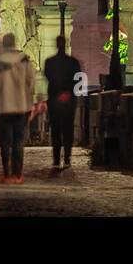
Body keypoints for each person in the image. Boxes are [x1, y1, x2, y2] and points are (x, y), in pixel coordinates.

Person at [0, 32, 36, 184]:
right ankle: (18, 174)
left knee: (5, 142)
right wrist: (30, 103)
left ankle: (6, 174)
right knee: (18, 142)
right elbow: (31, 83)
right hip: (21, 107)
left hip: (3, 108)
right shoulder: (24, 60)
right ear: (14, 43)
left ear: (3, 44)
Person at [44, 35, 82, 171]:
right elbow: (78, 79)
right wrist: (67, 92)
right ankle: (66, 158)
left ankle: (56, 158)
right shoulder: (73, 62)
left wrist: (58, 92)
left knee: (55, 129)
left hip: (54, 99)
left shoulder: (50, 62)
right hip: (68, 99)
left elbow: (49, 77)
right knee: (67, 129)